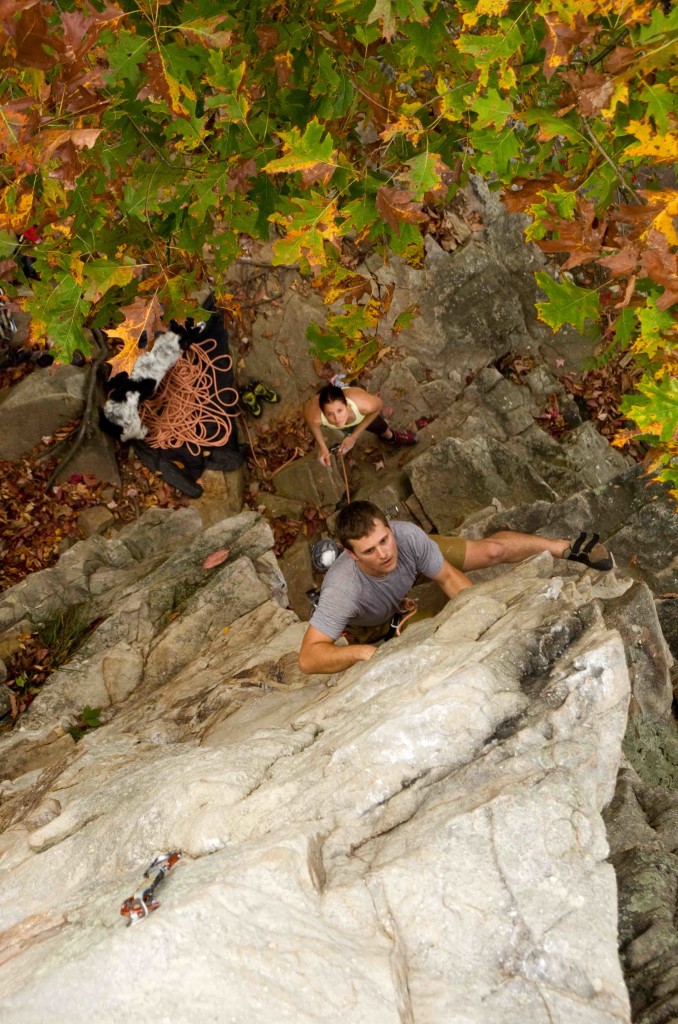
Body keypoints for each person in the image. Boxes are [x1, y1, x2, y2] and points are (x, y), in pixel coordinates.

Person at [298, 500, 613, 675]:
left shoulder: (406, 538)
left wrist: (486, 618)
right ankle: (399, 622)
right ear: (352, 555)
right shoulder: (343, 588)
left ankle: (562, 547)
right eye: (369, 550)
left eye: (384, 539)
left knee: (491, 551)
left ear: (390, 528)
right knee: (429, 647)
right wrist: (364, 653)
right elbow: (309, 657)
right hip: (374, 625)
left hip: (410, 573)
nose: (383, 553)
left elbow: (448, 579)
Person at [303, 383, 417, 466]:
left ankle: (391, 436)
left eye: (340, 410)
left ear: (347, 406)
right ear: (323, 413)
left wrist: (354, 437)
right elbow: (313, 425)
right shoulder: (314, 415)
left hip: (361, 416)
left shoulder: (365, 405)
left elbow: (378, 407)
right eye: (329, 414)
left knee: (379, 425)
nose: (337, 418)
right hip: (349, 422)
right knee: (345, 428)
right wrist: (323, 447)